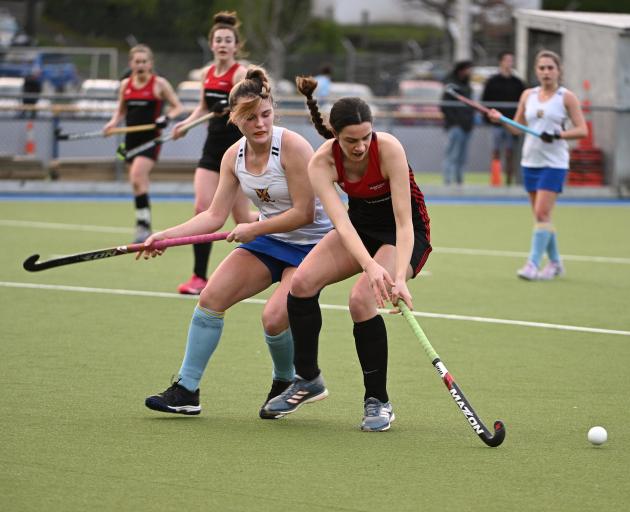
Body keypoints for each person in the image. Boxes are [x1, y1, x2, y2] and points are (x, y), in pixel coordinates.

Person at [142, 66, 332, 419]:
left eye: (266, 114)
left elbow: (306, 213)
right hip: (271, 240)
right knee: (211, 297)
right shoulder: (234, 156)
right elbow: (214, 215)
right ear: (234, 118)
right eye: (249, 117)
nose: (260, 124)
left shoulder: (292, 146)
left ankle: (283, 382)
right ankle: (186, 389)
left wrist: (253, 229)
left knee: (274, 318)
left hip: (314, 245)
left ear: (273, 109)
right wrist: (165, 236)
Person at [263, 75, 432, 432]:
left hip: (404, 233)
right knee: (303, 282)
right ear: (335, 136)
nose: (360, 147)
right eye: (351, 140)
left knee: (360, 299)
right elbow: (341, 222)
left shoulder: (389, 149)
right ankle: (307, 378)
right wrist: (369, 265)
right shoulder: (322, 164)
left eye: (366, 137)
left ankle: (378, 401)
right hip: (359, 229)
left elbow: (404, 222)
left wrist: (398, 277)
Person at [172, 11, 258, 295]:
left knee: (243, 219)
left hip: (236, 151)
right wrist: (185, 123)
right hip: (211, 151)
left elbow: (253, 104)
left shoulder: (240, 73)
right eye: (218, 40)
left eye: (228, 40)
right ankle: (199, 277)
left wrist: (233, 108)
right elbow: (203, 108)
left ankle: (280, 237)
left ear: (236, 45)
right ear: (211, 45)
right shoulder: (208, 73)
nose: (222, 44)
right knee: (203, 208)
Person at [488, 49, 587, 281]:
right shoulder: (528, 95)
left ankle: (532, 264)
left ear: (558, 71)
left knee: (542, 212)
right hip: (530, 161)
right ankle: (555, 263)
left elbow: (582, 130)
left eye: (550, 68)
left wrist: (558, 135)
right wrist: (501, 120)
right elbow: (517, 128)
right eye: (542, 68)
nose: (546, 72)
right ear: (536, 71)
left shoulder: (566, 97)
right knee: (542, 217)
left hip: (554, 163)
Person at [103, 44, 183, 243]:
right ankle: (144, 222)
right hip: (131, 139)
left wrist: (166, 118)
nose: (140, 65)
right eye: (137, 62)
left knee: (137, 176)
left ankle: (143, 227)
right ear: (131, 64)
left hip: (151, 139)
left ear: (150, 64)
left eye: (144, 62)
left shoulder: (159, 84)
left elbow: (177, 107)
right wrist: (112, 124)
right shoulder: (125, 85)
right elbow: (121, 111)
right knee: (138, 184)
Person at [482, 52, 526, 185]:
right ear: (501, 62)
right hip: (496, 125)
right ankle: (496, 181)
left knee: (510, 153)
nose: (509, 63)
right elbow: (485, 101)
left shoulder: (518, 83)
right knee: (495, 152)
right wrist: (488, 119)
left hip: (511, 123)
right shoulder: (492, 82)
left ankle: (509, 182)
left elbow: (523, 104)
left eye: (511, 61)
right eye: (506, 60)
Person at [440, 60, 474, 186]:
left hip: (466, 127)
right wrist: (455, 122)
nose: (469, 72)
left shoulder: (467, 87)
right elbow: (445, 107)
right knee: (452, 154)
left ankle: (459, 182)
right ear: (461, 70)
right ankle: (448, 182)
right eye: (467, 69)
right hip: (455, 127)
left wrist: (468, 123)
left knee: (462, 157)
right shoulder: (451, 86)